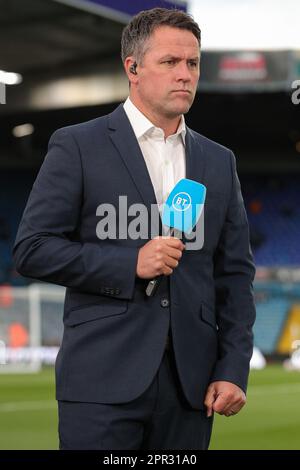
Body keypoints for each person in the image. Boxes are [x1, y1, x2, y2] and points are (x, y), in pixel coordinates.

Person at [13, 8, 256, 450]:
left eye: (193, 63)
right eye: (170, 62)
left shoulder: (219, 161)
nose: (185, 75)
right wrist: (131, 263)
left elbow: (235, 276)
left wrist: (233, 366)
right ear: (133, 68)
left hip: (191, 388)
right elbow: (32, 248)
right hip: (101, 382)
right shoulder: (78, 145)